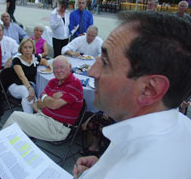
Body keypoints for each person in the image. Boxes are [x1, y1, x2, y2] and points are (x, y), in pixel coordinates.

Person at [73, 12, 191, 179]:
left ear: (149, 89)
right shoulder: (184, 126)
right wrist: (102, 166)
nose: (92, 71)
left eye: (106, 63)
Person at [3, 55, 84, 141]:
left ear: (70, 67)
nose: (58, 71)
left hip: (57, 128)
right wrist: (50, 98)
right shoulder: (52, 82)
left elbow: (53, 105)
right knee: (16, 128)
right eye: (55, 68)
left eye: (62, 67)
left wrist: (45, 99)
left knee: (15, 117)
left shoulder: (75, 84)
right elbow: (39, 104)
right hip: (43, 118)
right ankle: (8, 146)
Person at [7, 38, 51, 113]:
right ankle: (39, 112)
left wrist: (48, 65)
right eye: (25, 47)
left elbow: (43, 60)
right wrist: (30, 89)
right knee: (26, 91)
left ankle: (29, 117)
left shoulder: (35, 57)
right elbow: (22, 76)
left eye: (30, 47)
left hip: (29, 85)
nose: (28, 50)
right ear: (21, 48)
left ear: (33, 48)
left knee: (26, 97)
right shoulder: (17, 60)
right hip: (15, 86)